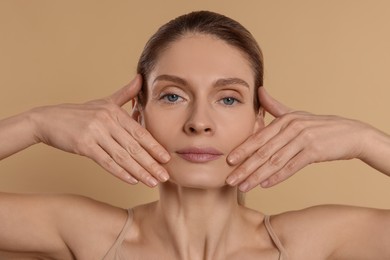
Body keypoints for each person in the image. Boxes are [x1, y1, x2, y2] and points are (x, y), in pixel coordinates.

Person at [1, 10, 390, 260]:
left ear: (260, 123)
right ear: (137, 119)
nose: (199, 122)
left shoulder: (311, 242)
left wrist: (367, 142)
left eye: (228, 99)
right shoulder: (87, 234)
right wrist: (33, 124)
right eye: (172, 95)